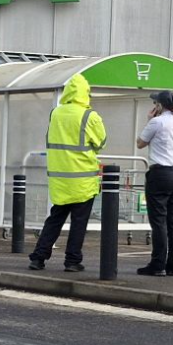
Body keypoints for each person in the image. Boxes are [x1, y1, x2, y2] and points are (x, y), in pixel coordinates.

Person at [30, 73, 106, 272]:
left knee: (55, 219)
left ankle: (38, 257)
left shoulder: (55, 113)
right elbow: (101, 142)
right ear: (85, 93)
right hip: (83, 179)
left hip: (60, 179)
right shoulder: (90, 116)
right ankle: (72, 261)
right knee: (79, 222)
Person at [136, 91, 173, 276]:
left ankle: (157, 264)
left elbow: (140, 143)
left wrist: (148, 120)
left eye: (155, 103)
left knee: (159, 221)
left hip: (160, 173)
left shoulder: (156, 122)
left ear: (159, 105)